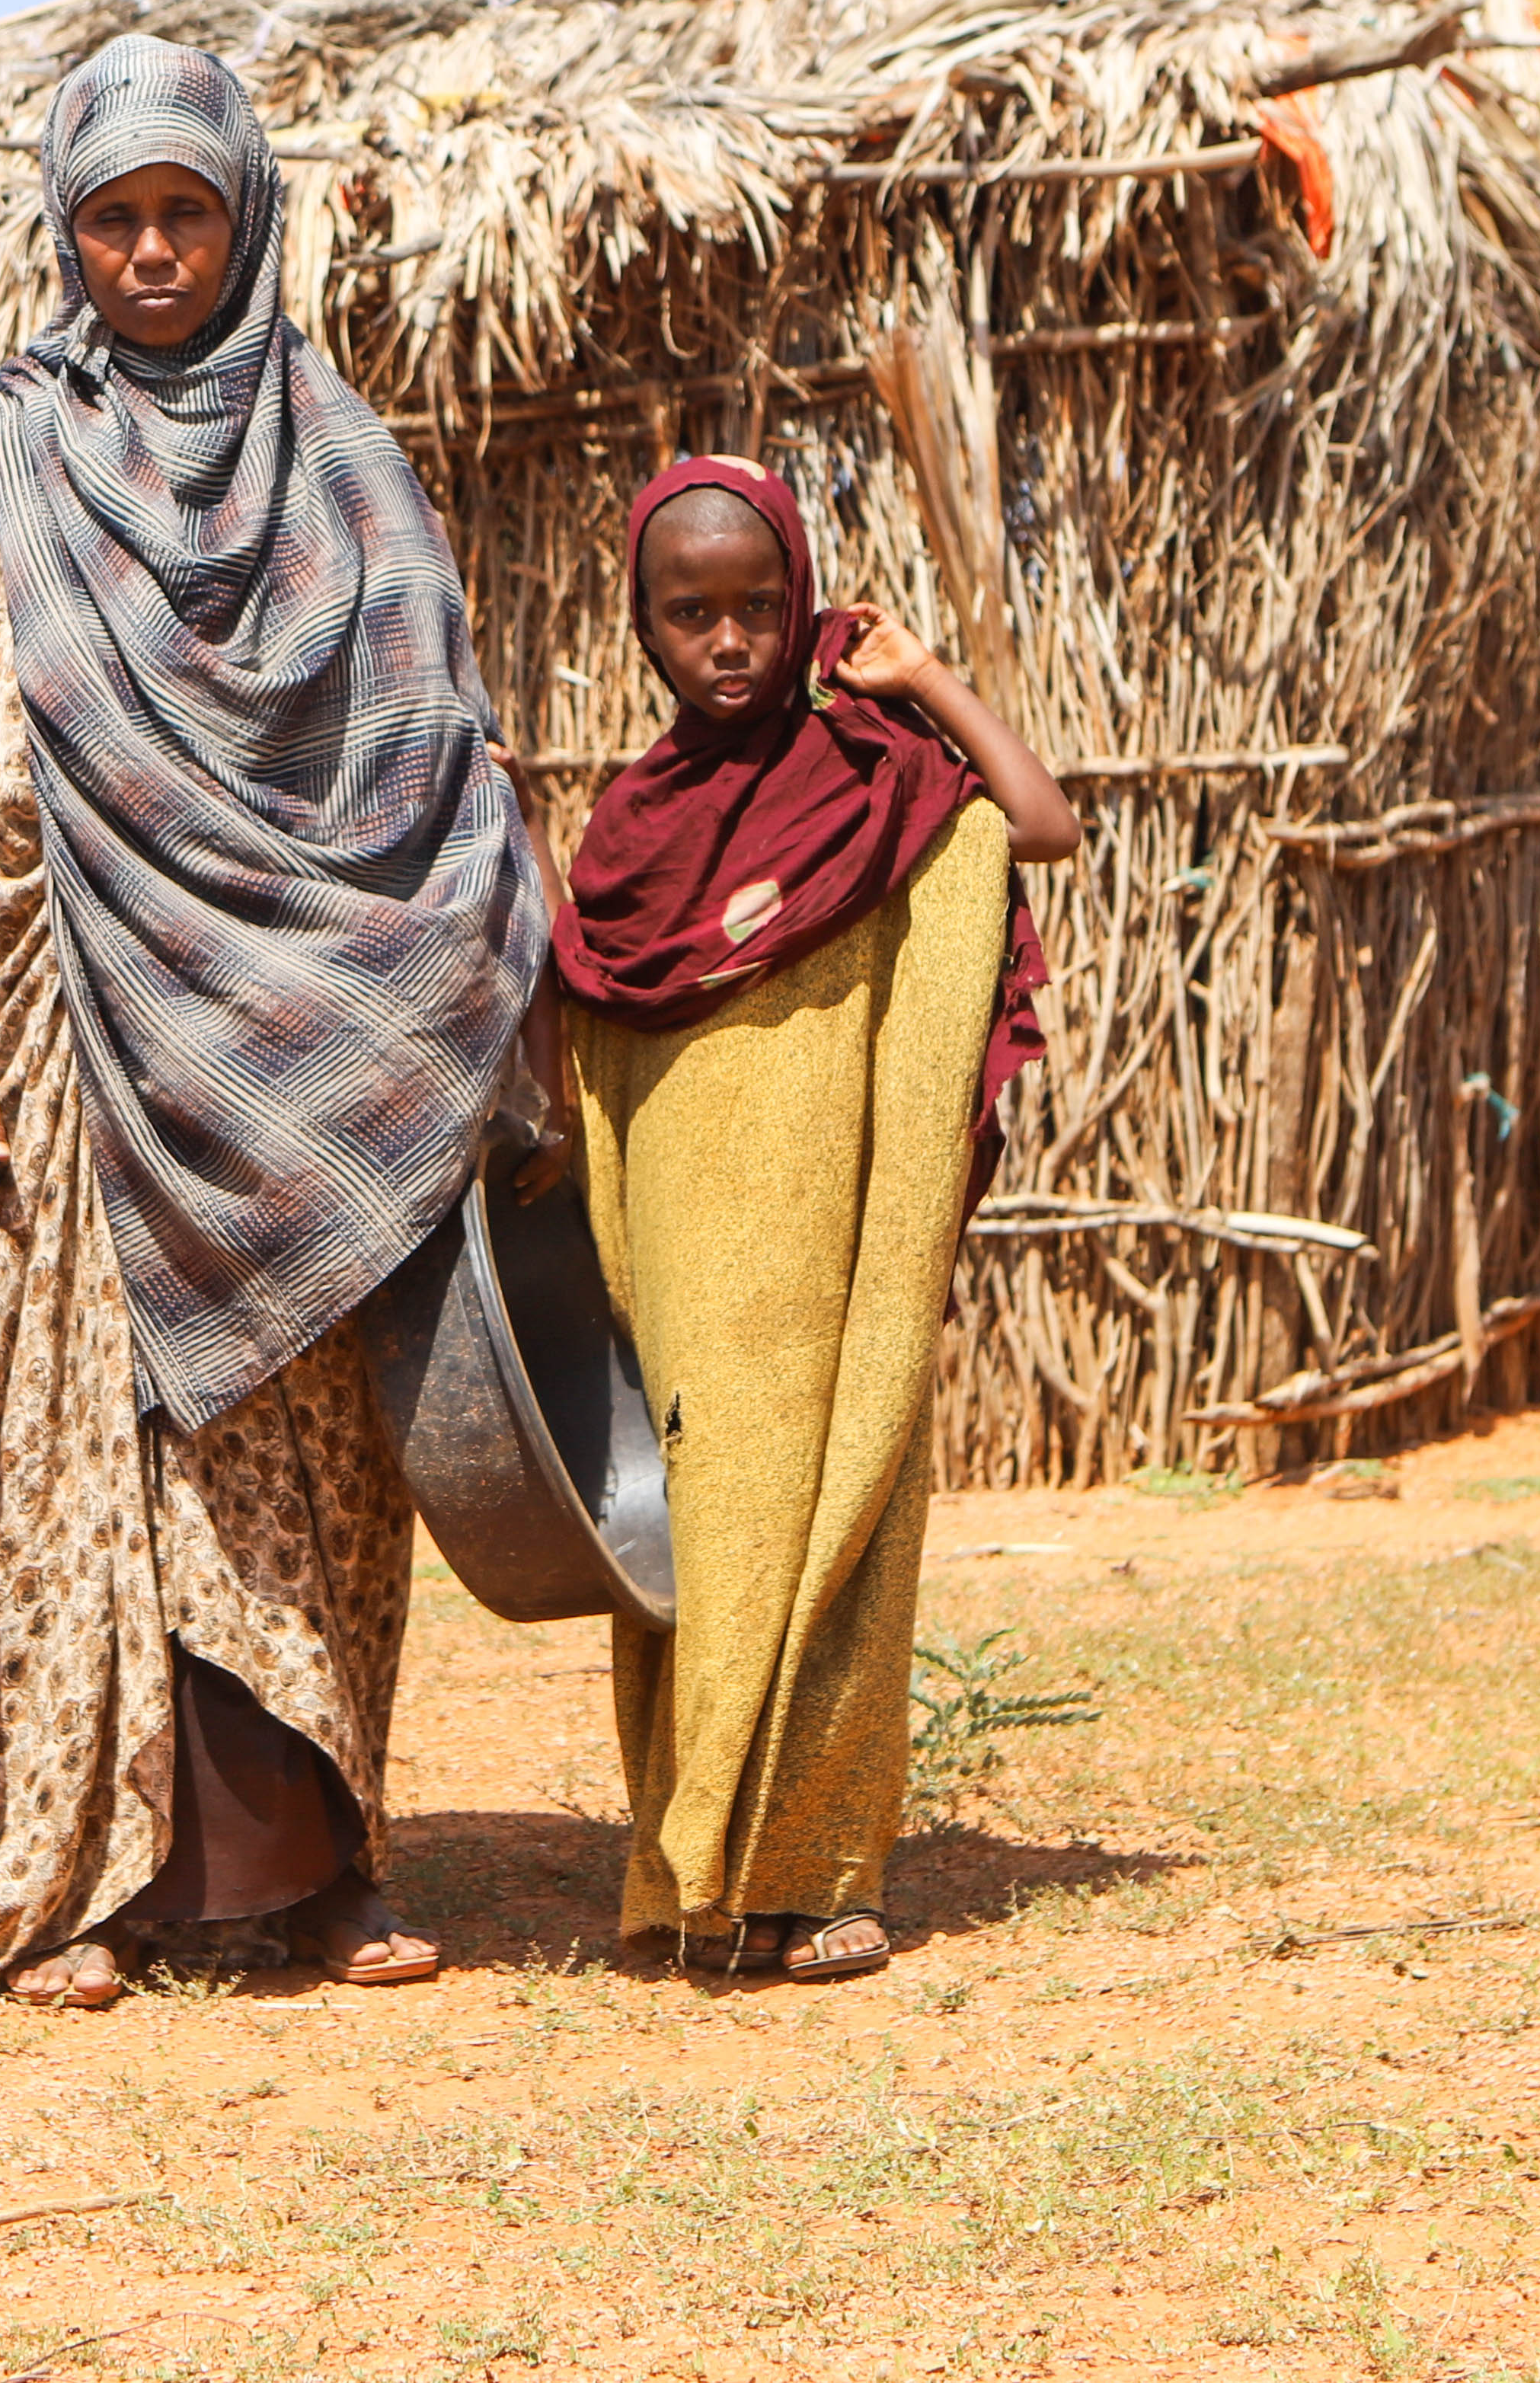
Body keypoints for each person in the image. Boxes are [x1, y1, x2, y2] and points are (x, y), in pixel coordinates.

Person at [0, 34, 554, 2008]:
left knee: (300, 1460)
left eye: (186, 214)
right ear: (65, 234)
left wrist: (465, 980)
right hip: (69, 1016)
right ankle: (81, 1886)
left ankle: (314, 1874)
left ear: (243, 222)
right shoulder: (1, 453)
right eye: (115, 218)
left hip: (296, 1052)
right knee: (73, 1442)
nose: (151, 251)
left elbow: (436, 750)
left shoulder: (337, 458)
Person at [553, 455, 1078, 1981]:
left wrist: (928, 679)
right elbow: (585, 1021)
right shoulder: (631, 835)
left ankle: (825, 1870)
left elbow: (1032, 823)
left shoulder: (881, 774)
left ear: (807, 604)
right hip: (689, 1254)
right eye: (690, 612)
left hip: (839, 1238)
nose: (729, 640)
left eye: (760, 607)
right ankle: (689, 1872)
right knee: (699, 1536)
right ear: (644, 627)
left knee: (842, 1521)